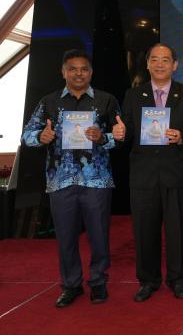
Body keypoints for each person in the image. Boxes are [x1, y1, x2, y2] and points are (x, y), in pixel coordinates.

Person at [22, 49, 122, 307]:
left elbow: (120, 136)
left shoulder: (106, 100)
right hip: (61, 180)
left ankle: (98, 282)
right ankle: (71, 285)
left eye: (84, 69)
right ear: (63, 72)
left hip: (96, 180)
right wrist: (40, 137)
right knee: (65, 238)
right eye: (73, 69)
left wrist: (103, 137)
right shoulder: (49, 102)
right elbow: (27, 135)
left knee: (99, 236)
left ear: (91, 72)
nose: (79, 73)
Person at [121, 43, 183, 302]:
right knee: (144, 231)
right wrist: (120, 133)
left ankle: (178, 279)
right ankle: (148, 280)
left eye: (165, 60)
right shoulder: (133, 95)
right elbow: (127, 130)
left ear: (174, 65)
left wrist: (182, 136)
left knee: (177, 230)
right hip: (143, 174)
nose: (159, 64)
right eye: (154, 59)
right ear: (147, 64)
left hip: (175, 172)